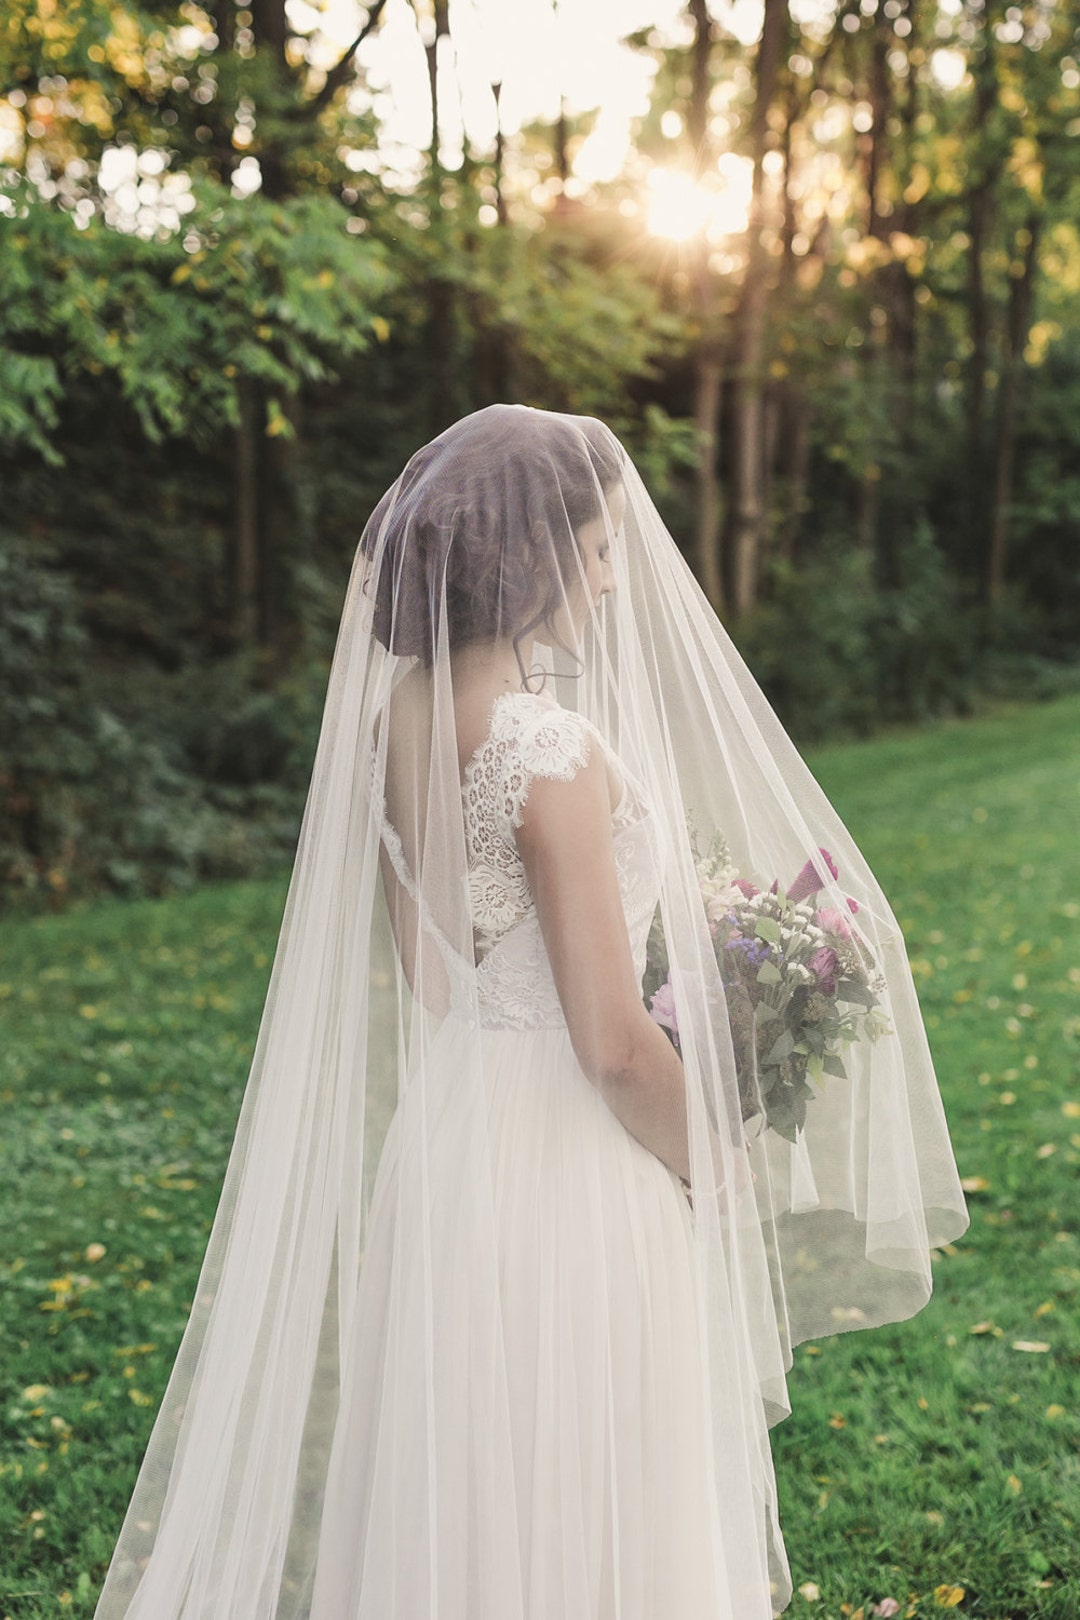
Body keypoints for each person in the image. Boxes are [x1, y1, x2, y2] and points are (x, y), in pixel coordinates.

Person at [92, 405, 970, 1620]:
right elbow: (613, 1048)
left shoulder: (394, 714)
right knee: (591, 1469)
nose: (614, 581)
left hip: (456, 1137)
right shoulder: (545, 748)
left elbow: (436, 968)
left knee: (474, 1474)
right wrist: (713, 1162)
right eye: (602, 549)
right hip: (571, 1159)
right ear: (535, 552)